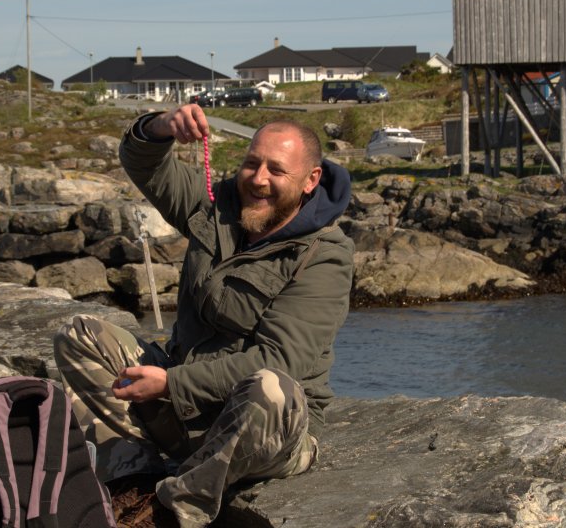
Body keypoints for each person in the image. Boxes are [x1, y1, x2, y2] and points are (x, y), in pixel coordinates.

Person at [53, 103, 354, 527]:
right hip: (186, 415)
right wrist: (161, 126)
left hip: (264, 428)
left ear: (311, 179)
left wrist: (171, 384)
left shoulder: (325, 256)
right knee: (80, 335)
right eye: (252, 163)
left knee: (271, 387)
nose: (259, 179)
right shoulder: (216, 204)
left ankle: (171, 510)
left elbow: (282, 361)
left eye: (276, 170)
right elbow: (145, 166)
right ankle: (133, 481)